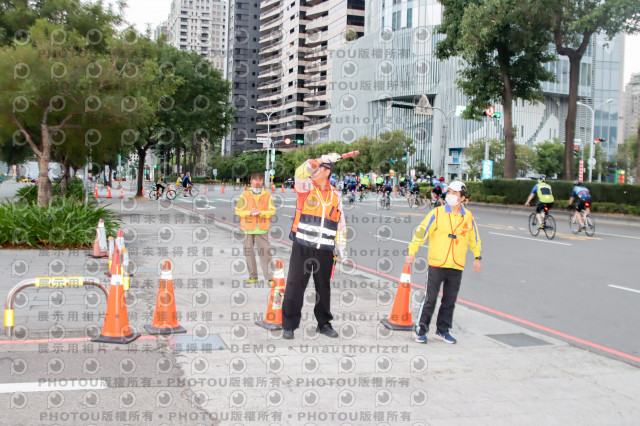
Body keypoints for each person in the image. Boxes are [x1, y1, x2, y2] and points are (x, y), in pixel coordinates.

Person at [405, 181, 482, 344]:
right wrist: (412, 251)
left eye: (454, 193)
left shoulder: (468, 216)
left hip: (456, 264)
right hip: (437, 263)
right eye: (449, 192)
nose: (450, 195)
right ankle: (421, 330)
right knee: (430, 299)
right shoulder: (437, 213)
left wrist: (477, 257)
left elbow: (474, 237)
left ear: (462, 198)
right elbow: (422, 231)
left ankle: (442, 330)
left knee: (449, 301)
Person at [282, 152, 347, 340]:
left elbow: (340, 222)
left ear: (327, 172)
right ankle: (289, 325)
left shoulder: (336, 195)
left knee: (323, 288)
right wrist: (320, 160)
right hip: (302, 246)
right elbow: (301, 172)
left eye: (318, 169)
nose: (313, 172)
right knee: (295, 286)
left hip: (326, 250)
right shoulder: (306, 187)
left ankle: (324, 323)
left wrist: (341, 245)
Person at [235, 173, 276, 285]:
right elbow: (238, 210)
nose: (257, 184)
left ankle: (270, 277)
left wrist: (260, 213)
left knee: (265, 252)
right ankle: (253, 276)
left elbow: (272, 211)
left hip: (262, 228)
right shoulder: (244, 195)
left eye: (260, 181)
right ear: (251, 182)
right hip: (248, 228)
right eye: (255, 181)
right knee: (249, 252)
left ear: (262, 182)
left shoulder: (267, 195)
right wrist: (249, 213)